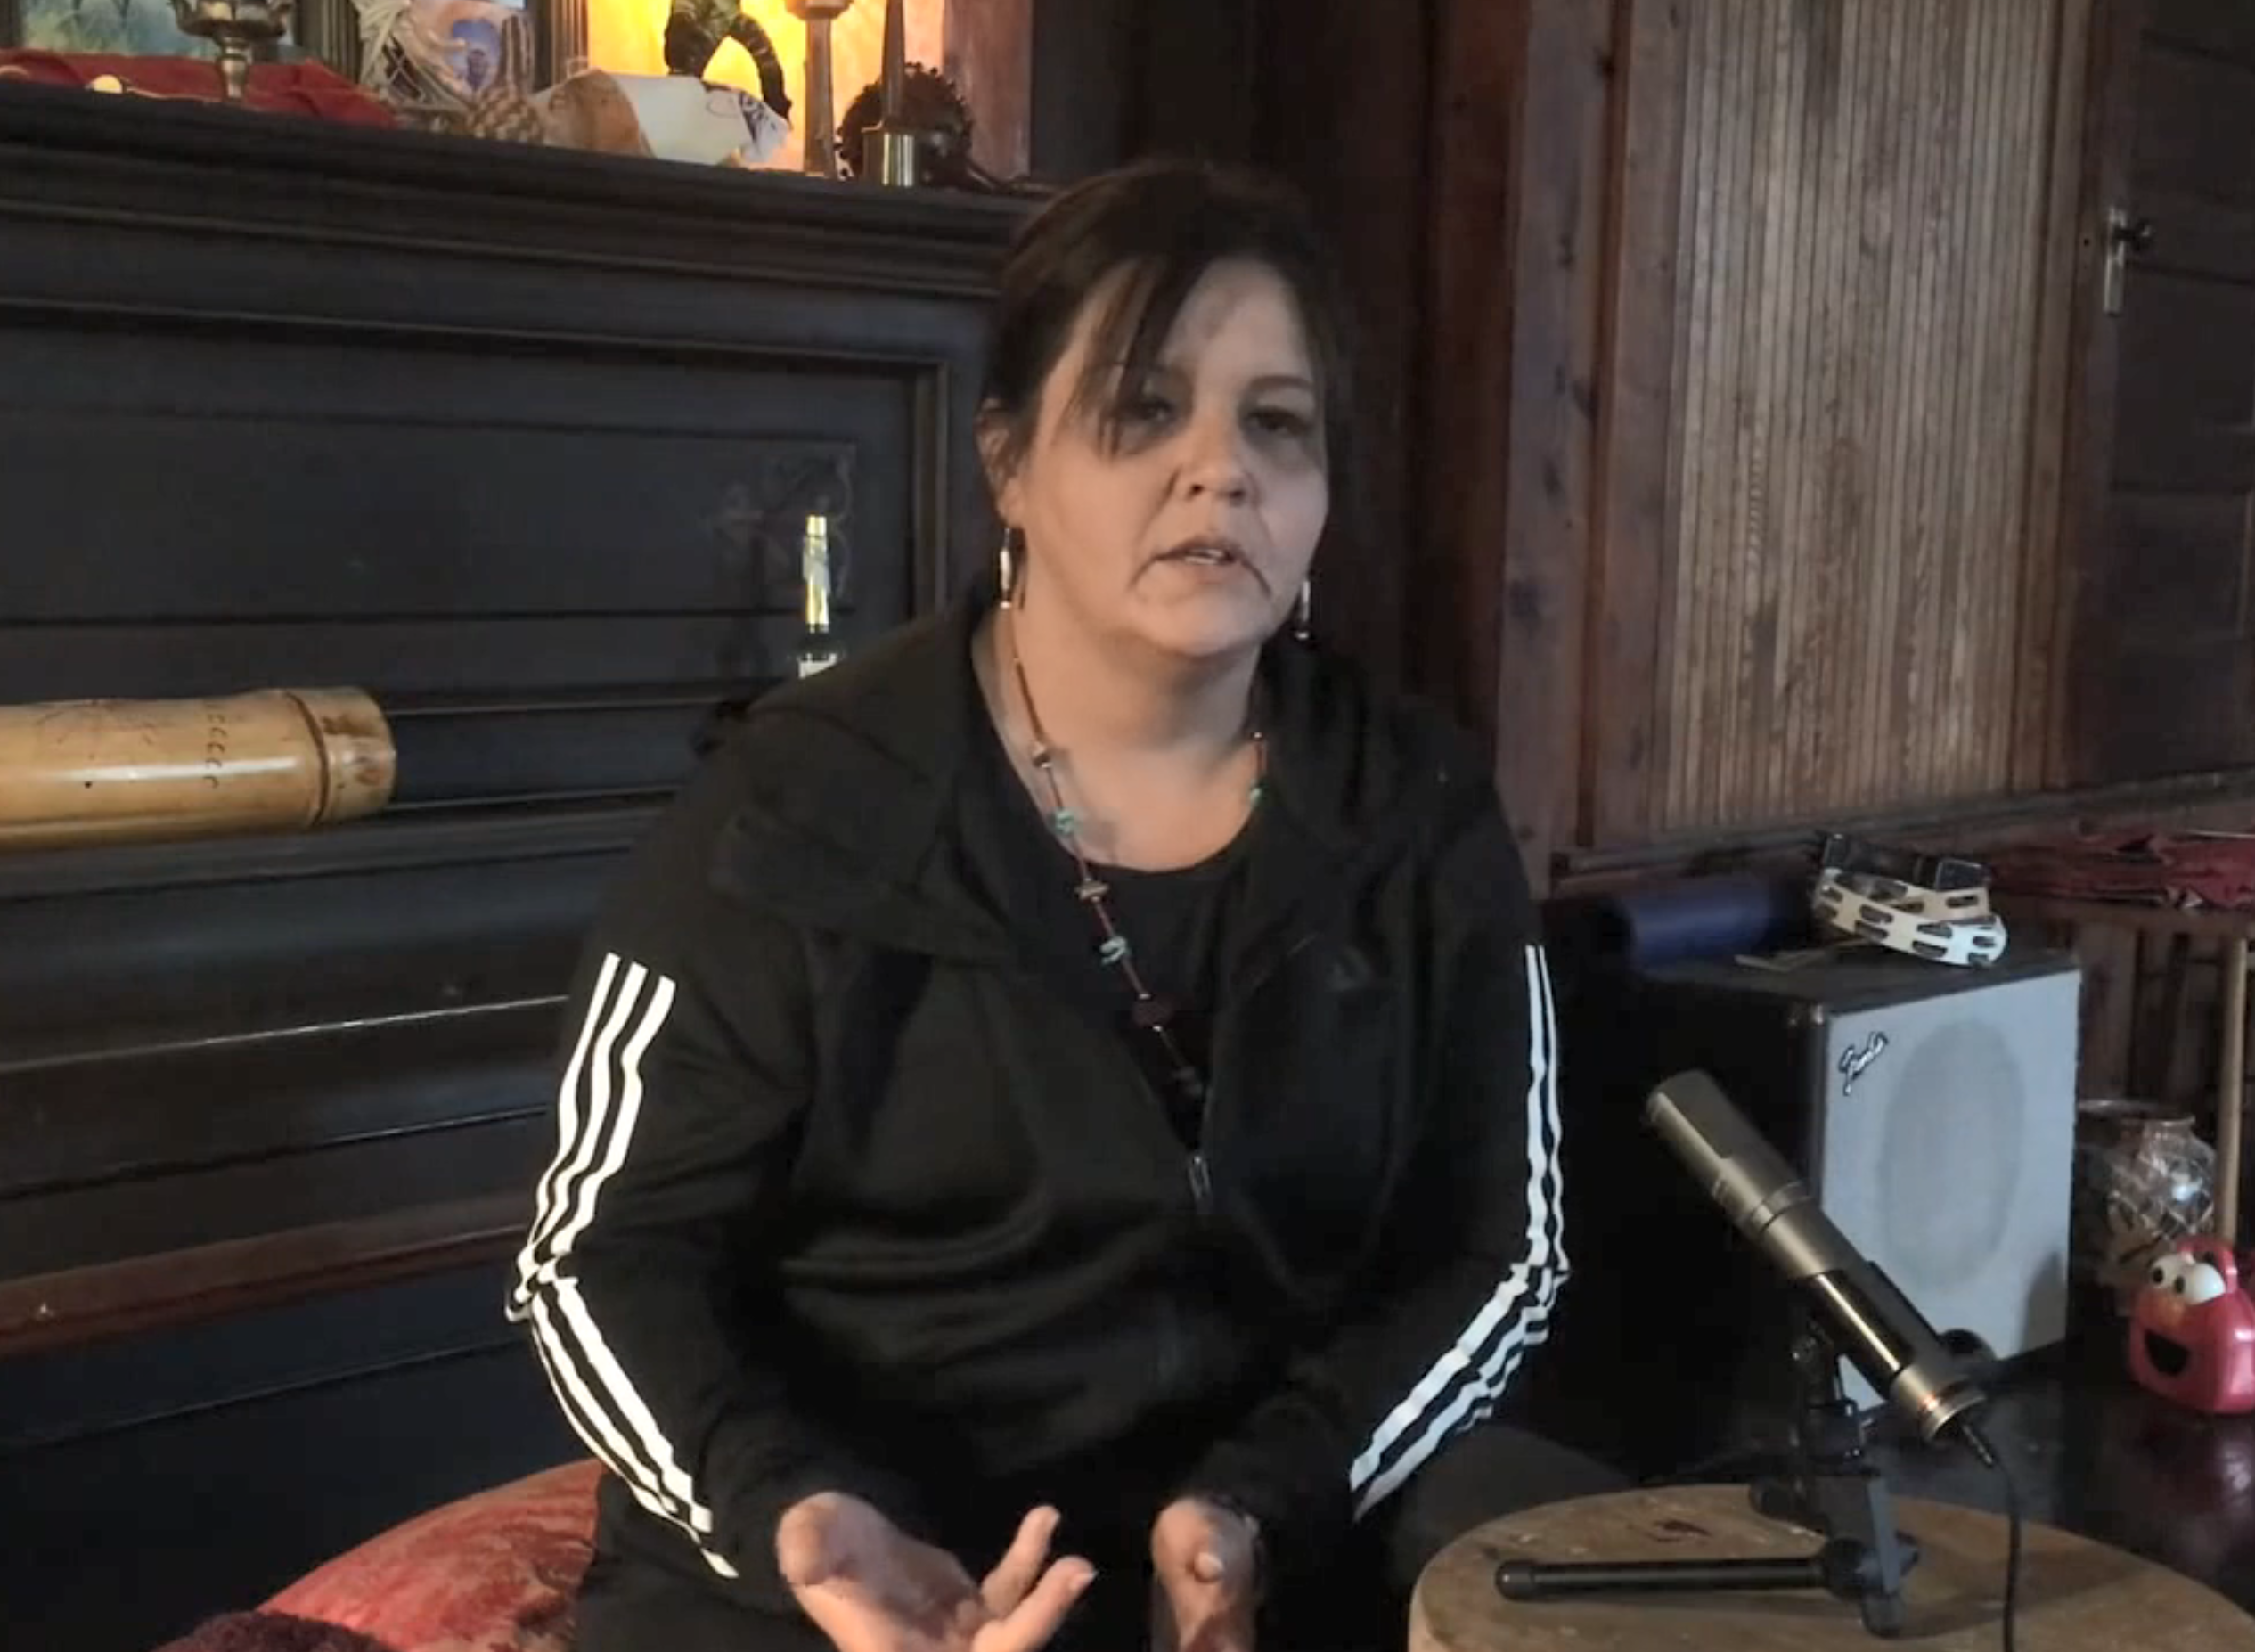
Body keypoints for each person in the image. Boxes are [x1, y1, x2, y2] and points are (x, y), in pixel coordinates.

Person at [507, 156, 1612, 1652]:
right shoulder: (799, 801)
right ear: (1008, 461)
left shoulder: (1411, 806)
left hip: (1250, 1534)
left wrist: (1258, 1504)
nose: (1218, 468)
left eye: (1274, 425)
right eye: (1145, 409)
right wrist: (785, 1510)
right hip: (848, 1568)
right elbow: (593, 1256)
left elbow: (1503, 1248)